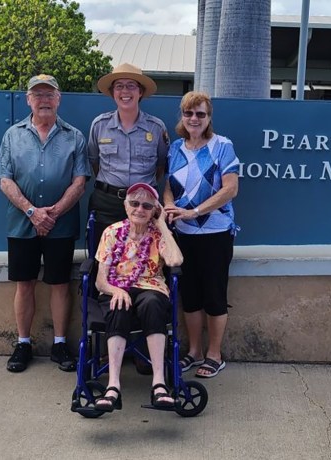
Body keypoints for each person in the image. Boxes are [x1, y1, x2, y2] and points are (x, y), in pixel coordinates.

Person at [0, 74, 91, 373]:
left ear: (59, 99)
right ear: (28, 100)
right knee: (24, 283)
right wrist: (31, 212)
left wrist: (53, 214)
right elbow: (4, 179)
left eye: (50, 94)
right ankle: (23, 343)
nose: (44, 100)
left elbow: (80, 182)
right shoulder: (12, 135)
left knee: (60, 283)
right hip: (21, 224)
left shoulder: (74, 136)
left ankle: (60, 344)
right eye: (38, 95)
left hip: (61, 225)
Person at [87, 62, 170, 375]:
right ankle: (108, 348)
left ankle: (142, 350)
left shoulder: (156, 128)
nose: (125, 91)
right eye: (119, 86)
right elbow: (95, 162)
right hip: (108, 202)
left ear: (141, 93)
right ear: (112, 93)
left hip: (143, 206)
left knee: (146, 269)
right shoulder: (99, 125)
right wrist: (118, 194)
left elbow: (160, 166)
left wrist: (139, 202)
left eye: (131, 86)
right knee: (105, 271)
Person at [163, 91, 240, 379]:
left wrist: (194, 212)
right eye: (189, 113)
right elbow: (168, 185)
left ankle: (214, 355)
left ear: (209, 118)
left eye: (200, 114)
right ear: (182, 116)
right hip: (183, 235)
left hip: (215, 233)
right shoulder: (175, 148)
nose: (194, 119)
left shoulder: (223, 146)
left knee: (214, 295)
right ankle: (194, 352)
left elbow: (230, 189)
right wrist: (169, 206)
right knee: (191, 296)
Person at [92, 183, 184, 412]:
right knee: (118, 305)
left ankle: (159, 384)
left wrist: (162, 225)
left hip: (151, 288)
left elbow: (175, 260)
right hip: (116, 289)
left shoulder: (157, 234)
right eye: (134, 203)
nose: (140, 209)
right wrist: (116, 290)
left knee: (152, 303)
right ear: (126, 206)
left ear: (154, 210)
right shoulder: (112, 232)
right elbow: (100, 281)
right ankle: (113, 386)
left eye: (147, 206)